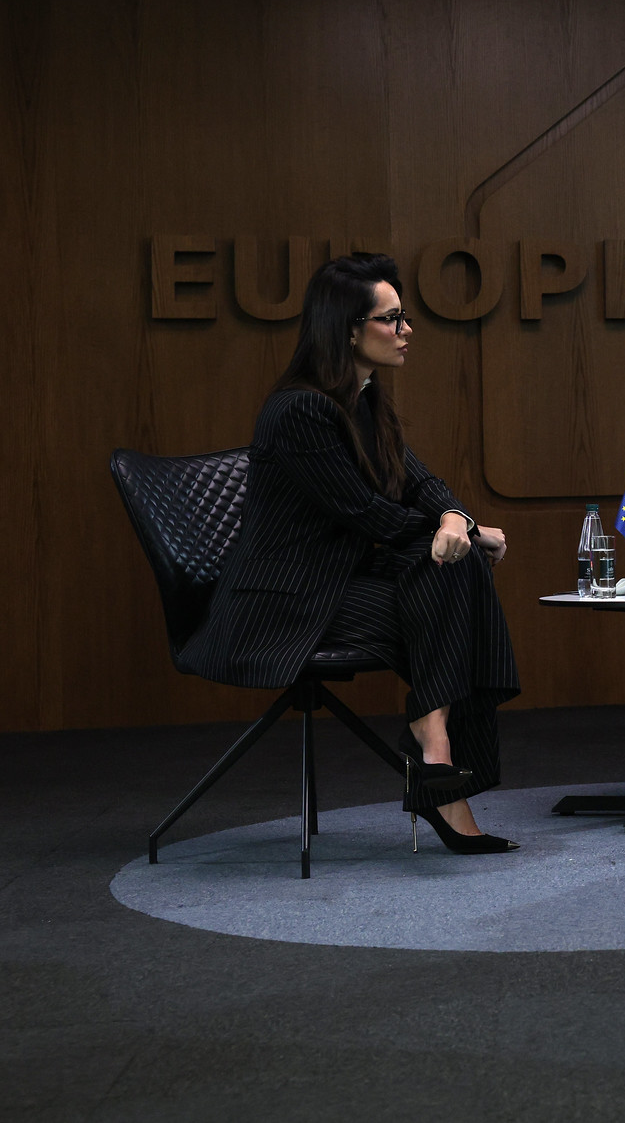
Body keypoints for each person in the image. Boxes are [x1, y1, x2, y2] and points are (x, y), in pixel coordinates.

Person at [178, 254, 523, 855]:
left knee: (451, 567)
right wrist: (461, 533)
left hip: (338, 582)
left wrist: (456, 520)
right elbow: (366, 514)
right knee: (452, 589)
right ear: (347, 329)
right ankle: (436, 760)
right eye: (392, 319)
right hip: (282, 603)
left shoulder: (363, 398)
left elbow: (420, 482)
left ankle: (435, 747)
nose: (407, 329)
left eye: (404, 317)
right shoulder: (299, 410)